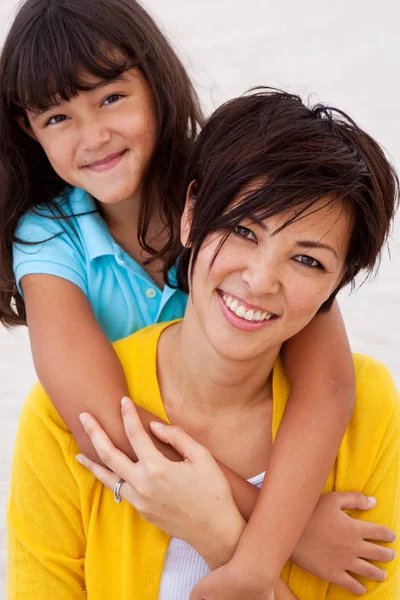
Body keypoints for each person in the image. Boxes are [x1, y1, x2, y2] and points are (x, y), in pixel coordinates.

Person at [0, 0, 361, 596]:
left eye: (111, 97)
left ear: (156, 83)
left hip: (249, 449)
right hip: (131, 499)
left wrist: (253, 562)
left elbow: (327, 383)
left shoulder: (230, 189)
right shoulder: (47, 237)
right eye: (57, 118)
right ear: (27, 130)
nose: (94, 136)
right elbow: (99, 425)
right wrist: (289, 531)